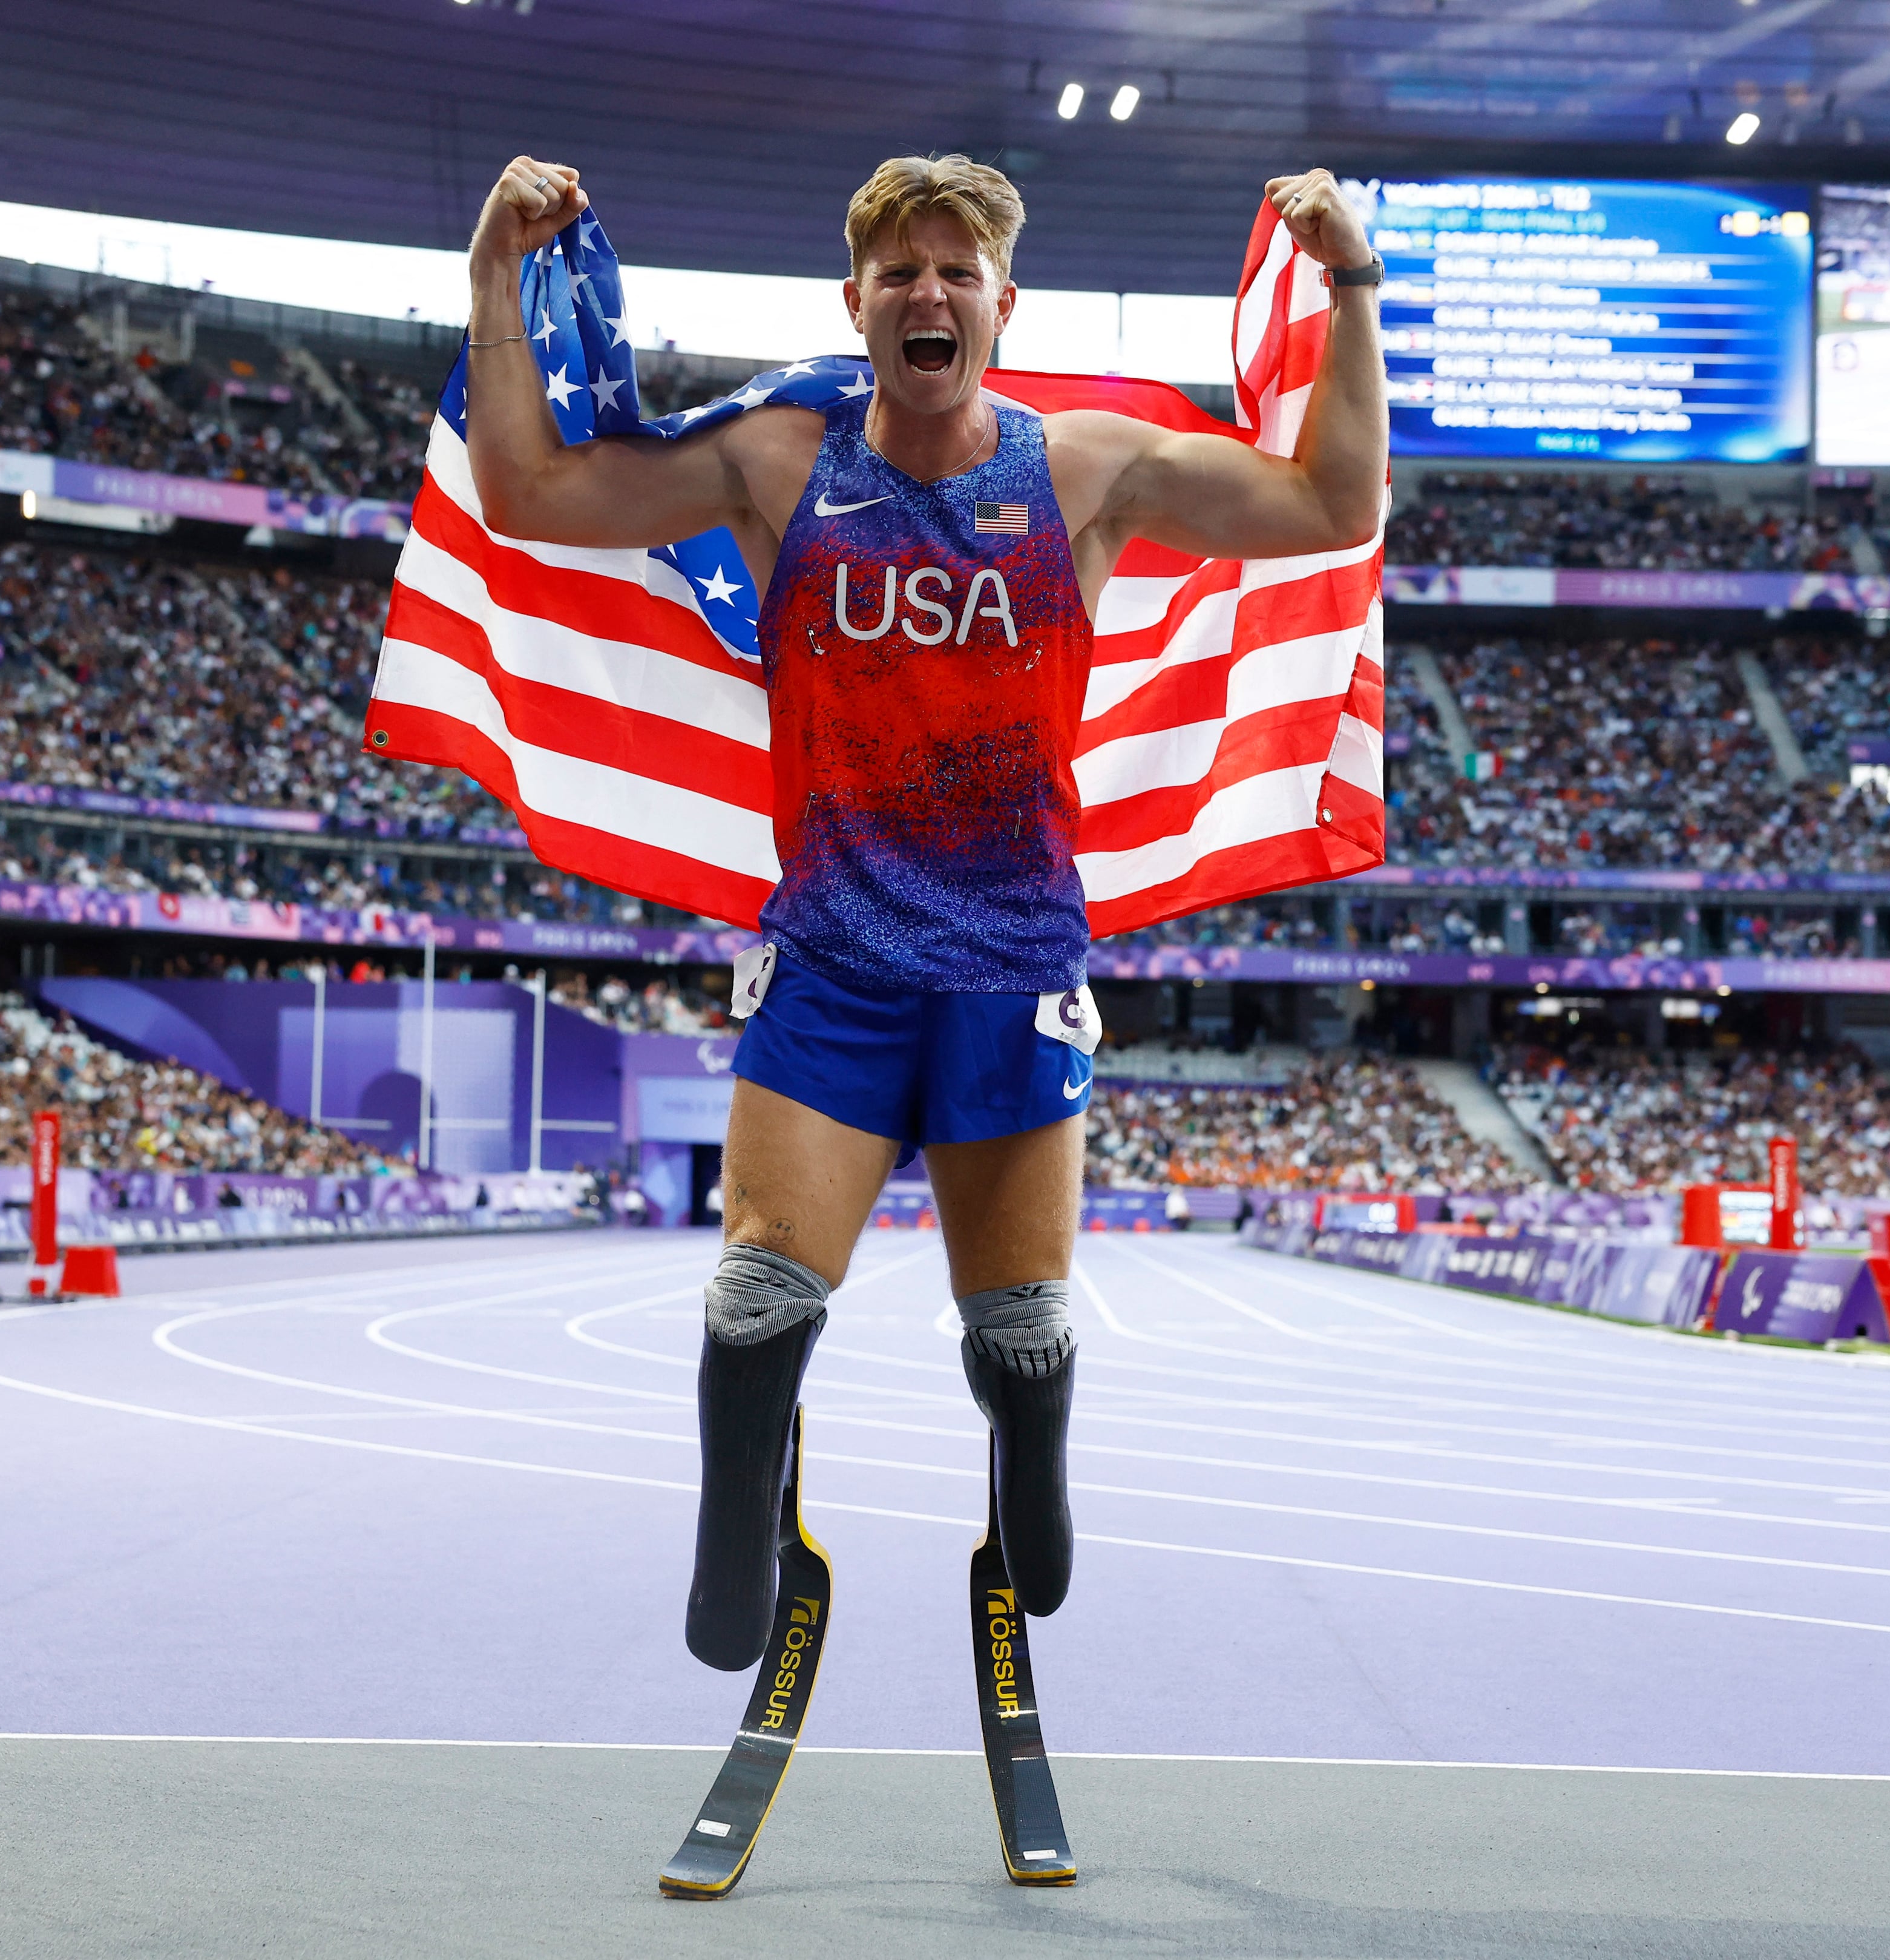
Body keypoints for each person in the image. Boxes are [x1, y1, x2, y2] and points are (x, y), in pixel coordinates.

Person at [462, 152, 1385, 1669]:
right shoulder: (778, 462)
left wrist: (1349, 285)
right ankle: (729, 1532)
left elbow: (1334, 498)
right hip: (832, 950)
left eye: (958, 269)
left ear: (1002, 305)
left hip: (1012, 962)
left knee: (1020, 1328)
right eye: (901, 270)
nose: (929, 291)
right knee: (759, 1283)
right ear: (857, 303)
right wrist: (494, 275)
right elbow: (530, 492)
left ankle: (1034, 1462)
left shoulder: (1085, 469)